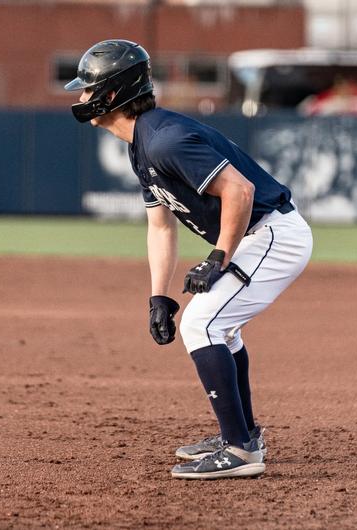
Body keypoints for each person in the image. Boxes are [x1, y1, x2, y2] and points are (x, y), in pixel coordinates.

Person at [65, 40, 313, 479]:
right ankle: (244, 434)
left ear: (110, 96)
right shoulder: (142, 143)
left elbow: (241, 191)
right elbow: (160, 225)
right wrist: (158, 296)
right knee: (220, 325)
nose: (80, 98)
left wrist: (219, 257)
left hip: (274, 233)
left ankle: (239, 452)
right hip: (259, 234)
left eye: (87, 90)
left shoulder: (165, 140)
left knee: (204, 324)